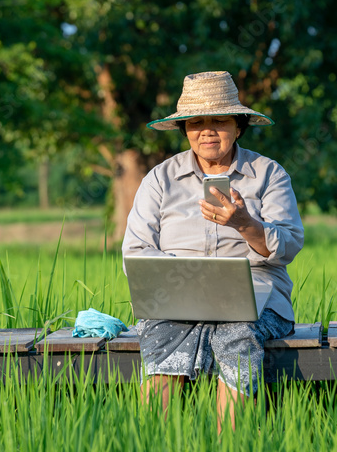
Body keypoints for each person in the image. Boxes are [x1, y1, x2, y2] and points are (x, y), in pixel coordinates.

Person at [122, 70, 304, 432]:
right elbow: (138, 249)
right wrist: (181, 283)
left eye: (219, 120)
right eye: (196, 122)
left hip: (256, 295)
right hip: (177, 295)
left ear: (238, 126)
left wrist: (244, 224)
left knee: (237, 334)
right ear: (184, 129)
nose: (207, 130)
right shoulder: (160, 178)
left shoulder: (268, 174)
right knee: (161, 337)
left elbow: (288, 244)